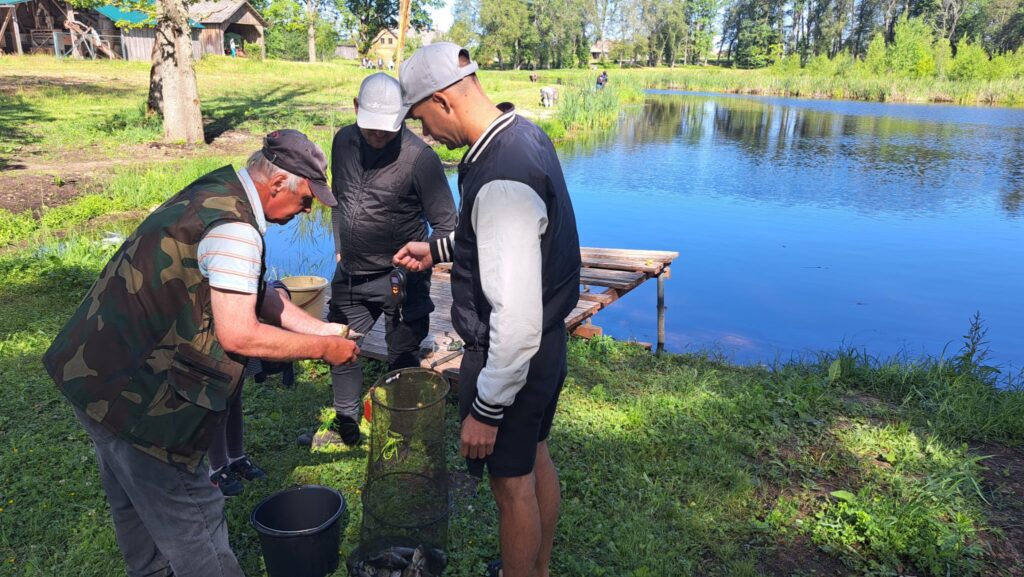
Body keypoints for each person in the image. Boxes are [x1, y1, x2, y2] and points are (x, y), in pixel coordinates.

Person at [42, 129, 361, 577]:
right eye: (307, 199)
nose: (308, 210)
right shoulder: (237, 230)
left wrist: (323, 327)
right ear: (275, 186)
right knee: (196, 526)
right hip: (141, 403)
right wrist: (323, 349)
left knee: (138, 517)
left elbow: (257, 293)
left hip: (91, 375)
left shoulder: (218, 189)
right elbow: (240, 335)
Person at [395, 43, 581, 577]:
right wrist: (436, 250)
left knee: (510, 486)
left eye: (422, 117)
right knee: (534, 454)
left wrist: (487, 408)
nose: (425, 132)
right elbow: (501, 241)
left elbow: (516, 320)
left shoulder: (501, 173)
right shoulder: (521, 134)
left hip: (516, 355)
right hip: (548, 345)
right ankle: (539, 569)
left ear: (444, 101)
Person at [298, 72, 456, 448]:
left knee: (402, 353)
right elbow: (339, 198)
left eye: (389, 128)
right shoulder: (342, 142)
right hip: (351, 274)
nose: (380, 136)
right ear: (356, 108)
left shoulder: (421, 159)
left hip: (401, 278)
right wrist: (340, 242)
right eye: (372, 128)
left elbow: (448, 226)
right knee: (342, 346)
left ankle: (402, 438)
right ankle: (347, 428)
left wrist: (426, 257)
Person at [207, 279, 292, 497]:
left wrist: (277, 290)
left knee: (234, 392)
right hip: (209, 325)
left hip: (238, 317)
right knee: (215, 398)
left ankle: (236, 458)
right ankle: (217, 468)